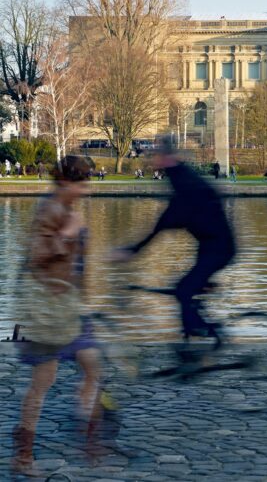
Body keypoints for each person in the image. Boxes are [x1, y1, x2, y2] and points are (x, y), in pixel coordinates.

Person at [12, 156, 101, 475]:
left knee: (92, 366)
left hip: (71, 307)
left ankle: (90, 439)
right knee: (43, 382)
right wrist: (67, 233)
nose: (85, 190)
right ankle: (23, 456)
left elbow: (77, 266)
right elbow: (38, 257)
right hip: (48, 311)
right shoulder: (50, 210)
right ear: (65, 183)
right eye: (81, 184)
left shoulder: (68, 210)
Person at [111, 137, 237, 341]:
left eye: (156, 156)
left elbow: (165, 221)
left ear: (165, 157)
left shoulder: (184, 181)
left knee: (183, 290)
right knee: (186, 288)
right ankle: (195, 334)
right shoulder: (179, 176)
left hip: (219, 248)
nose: (152, 161)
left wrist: (133, 250)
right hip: (208, 245)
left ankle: (200, 334)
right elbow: (170, 219)